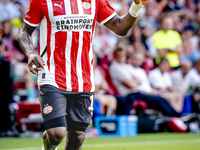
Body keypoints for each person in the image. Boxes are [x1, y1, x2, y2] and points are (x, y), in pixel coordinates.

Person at [18, 0, 149, 149]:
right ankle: (47, 147)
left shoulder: (95, 1)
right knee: (56, 133)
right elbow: (24, 32)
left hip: (83, 78)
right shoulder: (41, 1)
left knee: (77, 137)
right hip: (52, 73)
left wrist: (136, 6)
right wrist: (30, 53)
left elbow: (120, 28)